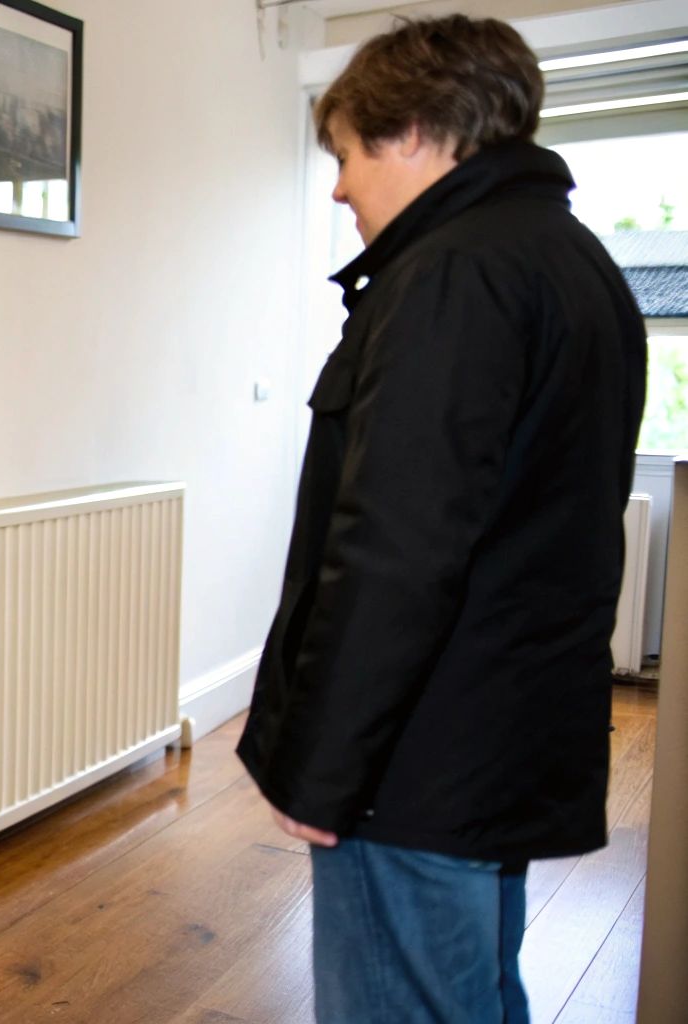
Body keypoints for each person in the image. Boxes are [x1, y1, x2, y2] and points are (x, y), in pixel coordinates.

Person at [236, 16, 647, 1024]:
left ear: (413, 131)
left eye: (346, 155)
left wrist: (323, 769)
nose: (339, 189)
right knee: (470, 996)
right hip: (489, 741)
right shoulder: (568, 259)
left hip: (415, 756)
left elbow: (395, 547)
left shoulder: (452, 275)